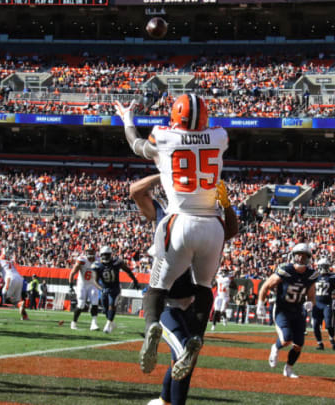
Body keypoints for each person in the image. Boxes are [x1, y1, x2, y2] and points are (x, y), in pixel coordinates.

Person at [115, 95, 229, 374]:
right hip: (213, 224)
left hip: (179, 219)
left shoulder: (163, 135)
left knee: (157, 287)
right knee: (204, 288)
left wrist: (127, 120)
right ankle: (196, 337)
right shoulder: (220, 135)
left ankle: (153, 324)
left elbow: (136, 145)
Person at [133, 173, 237, 405]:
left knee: (184, 358)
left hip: (192, 300)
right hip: (168, 301)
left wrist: (226, 204)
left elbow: (230, 231)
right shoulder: (164, 211)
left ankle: (164, 400)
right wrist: (163, 173)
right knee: (184, 355)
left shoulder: (208, 216)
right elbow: (135, 191)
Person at [256, 243, 318, 379]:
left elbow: (312, 296)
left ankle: (288, 369)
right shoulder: (286, 270)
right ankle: (275, 348)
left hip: (298, 311)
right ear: (293, 256)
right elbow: (265, 286)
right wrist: (260, 303)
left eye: (304, 256)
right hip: (282, 309)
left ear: (309, 258)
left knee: (298, 344)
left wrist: (310, 304)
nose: (301, 258)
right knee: (286, 339)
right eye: (298, 255)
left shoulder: (311, 274)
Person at [92, 245, 139, 333]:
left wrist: (135, 280)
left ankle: (107, 326)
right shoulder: (97, 265)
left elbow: (128, 270)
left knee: (111, 305)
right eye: (104, 254)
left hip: (115, 288)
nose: (105, 256)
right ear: (101, 255)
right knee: (105, 309)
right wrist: (101, 288)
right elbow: (95, 281)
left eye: (107, 254)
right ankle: (111, 322)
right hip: (105, 288)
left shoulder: (117, 263)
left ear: (110, 255)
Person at [68, 248, 101, 331]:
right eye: (88, 251)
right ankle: (74, 323)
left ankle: (94, 324)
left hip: (92, 284)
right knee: (81, 304)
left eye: (91, 251)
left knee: (95, 302)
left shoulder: (98, 260)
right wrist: (71, 286)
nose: (90, 253)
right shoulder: (82, 260)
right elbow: (72, 273)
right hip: (82, 284)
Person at [312, 258, 335, 350]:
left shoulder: (332, 277)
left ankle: (332, 339)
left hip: (327, 304)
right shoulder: (315, 276)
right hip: (316, 304)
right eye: (323, 266)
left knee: (328, 324)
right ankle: (320, 343)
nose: (325, 268)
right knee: (316, 325)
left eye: (326, 266)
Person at [0, 246, 28, 321]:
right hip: (19, 278)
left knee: (5, 296)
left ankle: (20, 304)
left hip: (10, 278)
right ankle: (24, 316)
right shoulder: (10, 262)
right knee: (17, 300)